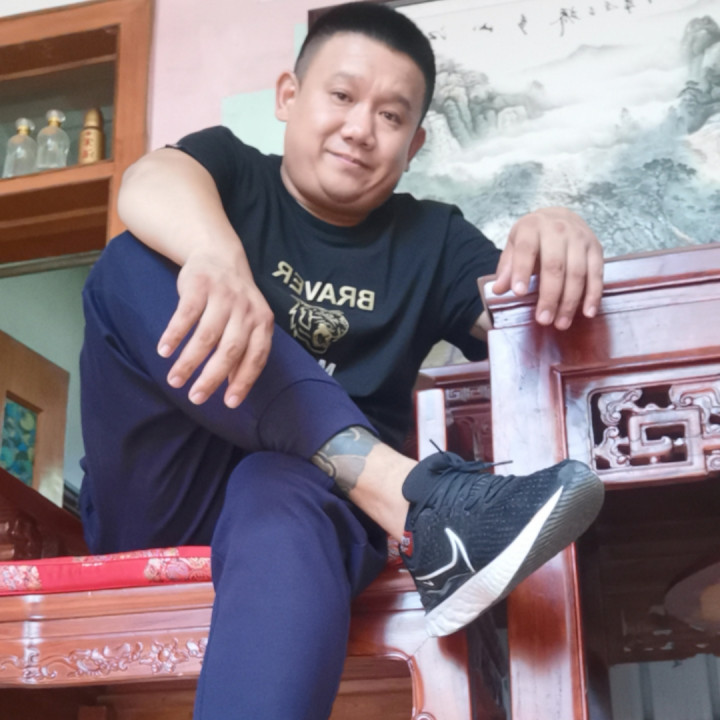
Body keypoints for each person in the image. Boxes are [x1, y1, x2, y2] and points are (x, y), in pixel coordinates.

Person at [78, 3, 605, 718]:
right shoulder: (232, 171)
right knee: (130, 262)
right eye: (342, 96)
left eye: (391, 116)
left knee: (276, 482)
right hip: (166, 494)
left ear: (415, 145)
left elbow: (520, 321)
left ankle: (402, 499)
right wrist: (217, 255)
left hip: (305, 512)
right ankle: (415, 500)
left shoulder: (432, 239)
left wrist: (553, 232)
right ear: (288, 97)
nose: (360, 128)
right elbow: (147, 182)